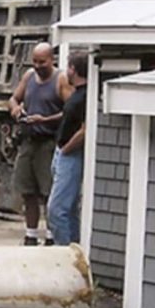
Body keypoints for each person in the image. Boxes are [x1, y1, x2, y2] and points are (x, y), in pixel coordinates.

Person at [8, 43, 63, 246]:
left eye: (42, 62)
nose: (38, 65)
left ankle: (50, 235)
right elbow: (13, 98)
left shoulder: (60, 79)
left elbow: (71, 112)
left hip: (48, 142)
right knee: (27, 191)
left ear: (52, 60)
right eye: (35, 61)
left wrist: (46, 119)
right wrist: (15, 110)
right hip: (28, 141)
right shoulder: (29, 76)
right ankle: (31, 235)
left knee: (48, 193)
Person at [48, 51, 88, 246]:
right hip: (61, 152)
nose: (66, 72)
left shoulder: (84, 96)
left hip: (70, 156)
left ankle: (63, 252)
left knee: (56, 210)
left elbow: (84, 130)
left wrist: (65, 150)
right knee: (69, 209)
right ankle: (75, 245)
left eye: (68, 67)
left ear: (73, 69)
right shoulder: (75, 94)